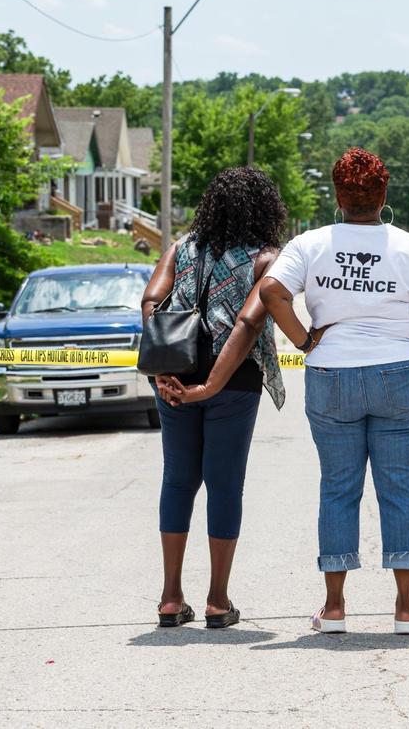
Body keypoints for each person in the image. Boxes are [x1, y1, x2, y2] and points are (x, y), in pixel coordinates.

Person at [259, 147, 409, 635]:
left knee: (338, 488)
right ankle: (405, 610)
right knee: (399, 489)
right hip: (400, 374)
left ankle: (333, 609)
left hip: (332, 375)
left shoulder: (309, 244)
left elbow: (273, 291)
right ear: (383, 194)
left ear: (336, 195)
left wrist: (304, 340)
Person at [140, 166, 287, 629]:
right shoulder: (265, 259)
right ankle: (218, 602)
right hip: (234, 383)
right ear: (265, 209)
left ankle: (169, 598)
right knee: (224, 485)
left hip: (174, 378)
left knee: (178, 481)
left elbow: (151, 302)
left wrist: (165, 372)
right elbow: (248, 325)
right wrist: (213, 385)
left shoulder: (181, 248)